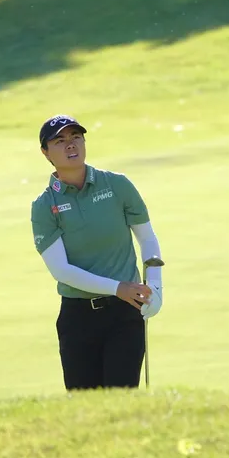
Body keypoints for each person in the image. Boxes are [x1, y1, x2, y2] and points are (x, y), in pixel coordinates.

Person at [31, 114, 164, 391]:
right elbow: (61, 271)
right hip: (78, 317)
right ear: (45, 153)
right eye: (59, 141)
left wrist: (155, 287)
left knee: (121, 399)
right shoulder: (44, 206)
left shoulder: (117, 185)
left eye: (76, 137)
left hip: (126, 313)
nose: (70, 145)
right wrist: (118, 288)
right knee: (84, 405)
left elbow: (147, 239)